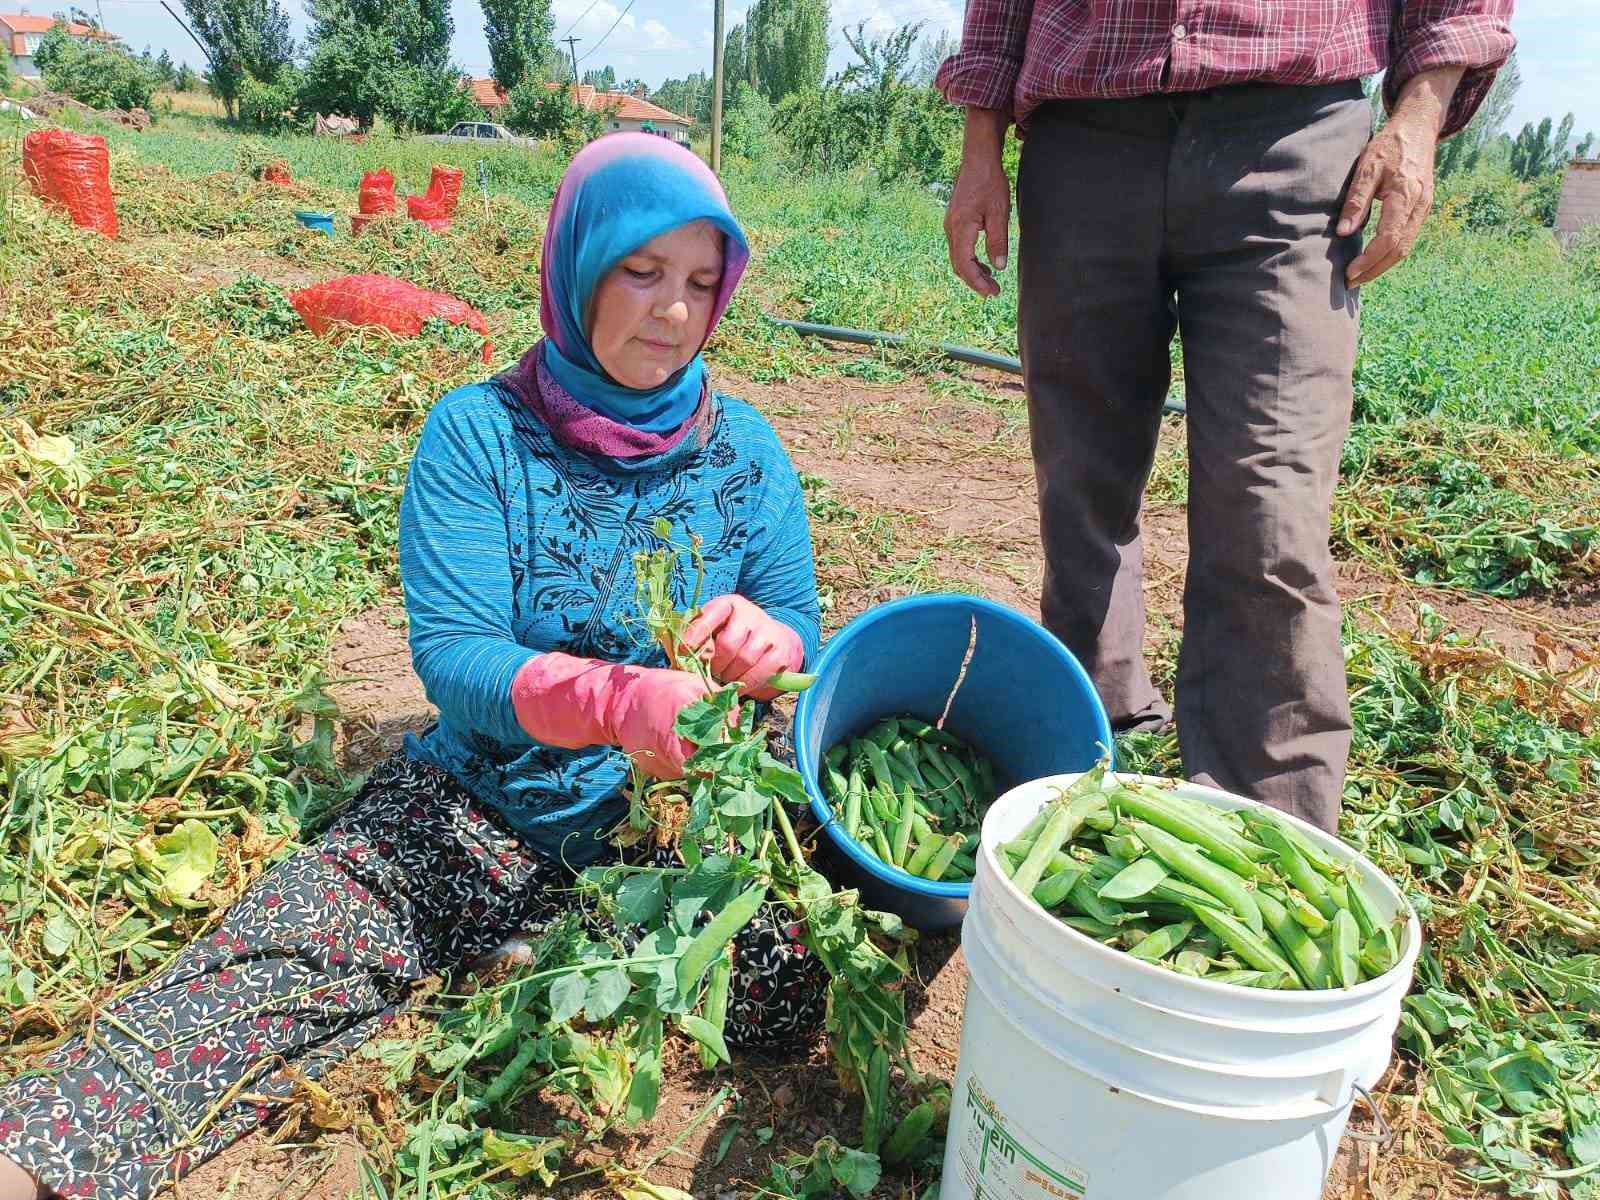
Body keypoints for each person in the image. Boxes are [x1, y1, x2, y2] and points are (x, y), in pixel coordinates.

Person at [0, 133, 824, 1200]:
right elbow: (458, 659)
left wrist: (774, 642)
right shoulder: (479, 437)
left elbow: (796, 614)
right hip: (478, 806)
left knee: (783, 989)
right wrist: (617, 699)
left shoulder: (744, 448)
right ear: (577, 264)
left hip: (672, 831)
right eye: (640, 271)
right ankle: (35, 1160)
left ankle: (543, 948)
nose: (672, 311)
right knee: (264, 975)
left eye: (702, 283)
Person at [937, 1, 1513, 833]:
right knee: (1080, 483)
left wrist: (1417, 118)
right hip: (1084, 136)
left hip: (1294, 137)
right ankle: (1092, 752)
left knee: (1269, 506)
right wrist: (979, 141)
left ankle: (1264, 830)